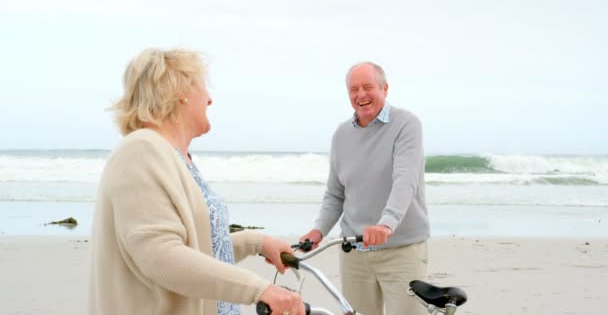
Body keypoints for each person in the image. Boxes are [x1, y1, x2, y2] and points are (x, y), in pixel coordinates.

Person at [89, 48, 305, 315]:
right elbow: (161, 257)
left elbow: (198, 249)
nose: (210, 99)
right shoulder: (141, 151)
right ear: (181, 92)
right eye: (203, 87)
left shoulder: (175, 156)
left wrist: (255, 242)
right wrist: (259, 289)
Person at [300, 62, 430, 315]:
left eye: (368, 87)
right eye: (353, 89)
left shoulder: (406, 124)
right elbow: (335, 193)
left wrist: (386, 224)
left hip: (401, 250)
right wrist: (318, 230)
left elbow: (405, 180)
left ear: (385, 88)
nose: (361, 95)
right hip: (354, 252)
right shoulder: (341, 134)